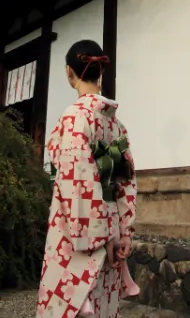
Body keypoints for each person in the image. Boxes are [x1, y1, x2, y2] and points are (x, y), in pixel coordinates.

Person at [36, 40, 139, 318]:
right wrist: (123, 232)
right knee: (102, 305)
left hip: (78, 234)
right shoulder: (116, 124)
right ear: (100, 73)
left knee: (74, 306)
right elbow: (126, 181)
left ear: (70, 73)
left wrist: (100, 237)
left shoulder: (74, 118)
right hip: (111, 232)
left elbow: (77, 182)